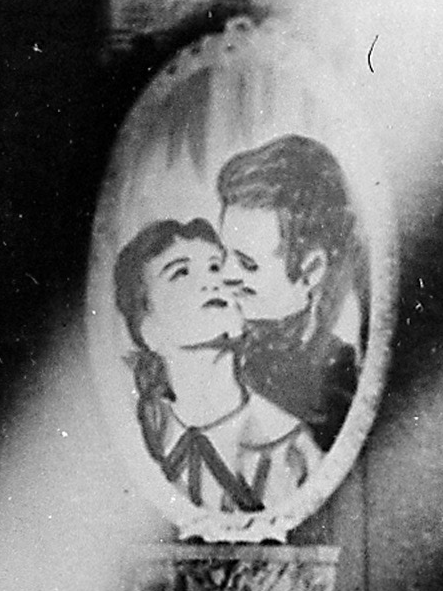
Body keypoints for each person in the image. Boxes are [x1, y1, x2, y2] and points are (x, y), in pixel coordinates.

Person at [112, 218, 320, 519]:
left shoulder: (290, 446)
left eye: (215, 267)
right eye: (181, 273)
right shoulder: (145, 447)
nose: (213, 282)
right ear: (147, 330)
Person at [213, 133, 365, 454]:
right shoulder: (218, 350)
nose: (225, 275)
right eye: (223, 255)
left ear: (311, 271)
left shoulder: (336, 390)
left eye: (247, 263)